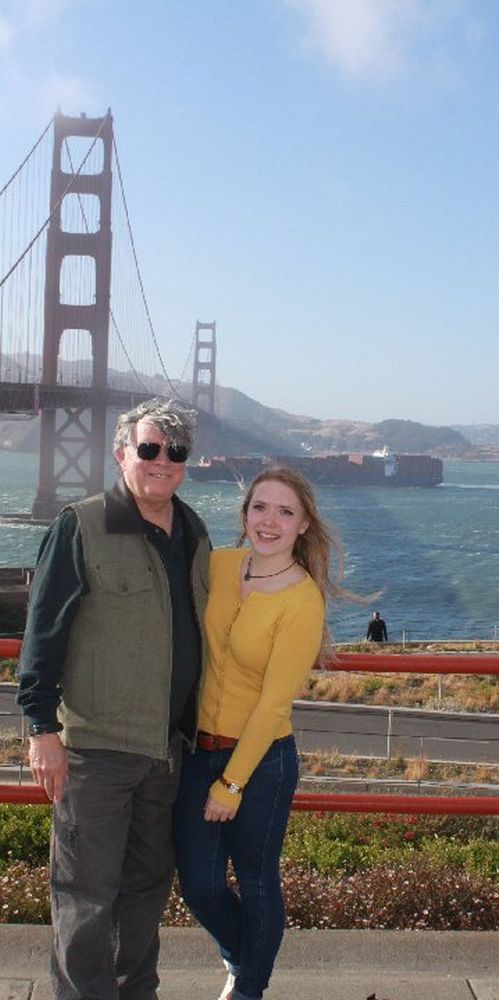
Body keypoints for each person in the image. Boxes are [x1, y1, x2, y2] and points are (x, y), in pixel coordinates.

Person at [16, 398, 210, 1000]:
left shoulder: (195, 531)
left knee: (147, 893)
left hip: (168, 752)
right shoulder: (81, 525)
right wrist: (41, 729)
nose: (162, 461)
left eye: (175, 451)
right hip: (95, 751)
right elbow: (43, 632)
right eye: (149, 448)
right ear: (122, 454)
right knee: (86, 897)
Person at [173, 466, 355, 1000]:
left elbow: (275, 703)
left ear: (304, 525)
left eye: (285, 512)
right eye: (260, 508)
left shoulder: (303, 600)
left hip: (262, 764)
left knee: (256, 882)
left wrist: (231, 784)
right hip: (198, 750)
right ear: (245, 513)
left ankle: (248, 989)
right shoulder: (219, 565)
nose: (269, 522)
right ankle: (243, 959)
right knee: (200, 887)